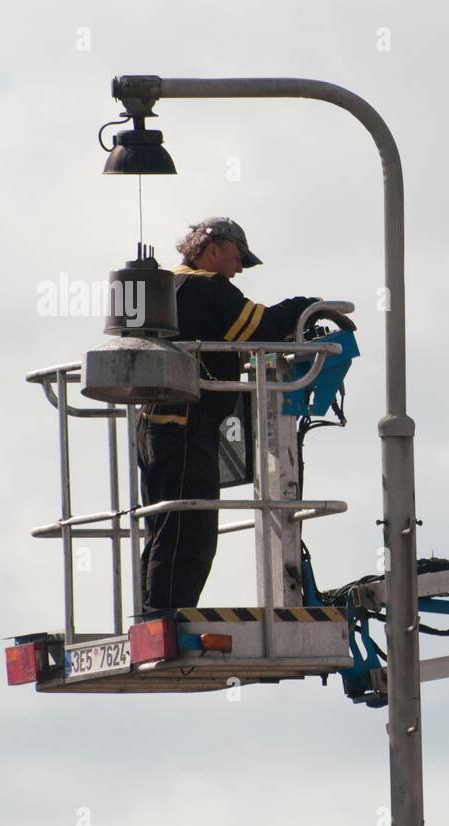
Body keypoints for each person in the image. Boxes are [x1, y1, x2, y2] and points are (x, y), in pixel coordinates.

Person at [137, 216, 324, 611]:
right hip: (185, 425)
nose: (239, 269)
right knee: (192, 530)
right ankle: (168, 618)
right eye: (238, 258)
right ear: (213, 250)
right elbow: (263, 328)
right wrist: (306, 308)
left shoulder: (171, 287)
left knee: (164, 526)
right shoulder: (206, 288)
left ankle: (151, 615)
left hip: (156, 425)